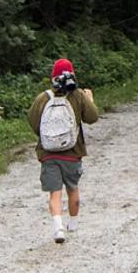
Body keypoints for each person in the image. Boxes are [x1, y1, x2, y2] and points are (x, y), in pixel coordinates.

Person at [28, 57, 99, 244]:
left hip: (49, 153)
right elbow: (92, 118)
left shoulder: (42, 98)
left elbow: (34, 124)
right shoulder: (78, 96)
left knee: (55, 192)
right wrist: (90, 99)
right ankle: (73, 224)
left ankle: (58, 227)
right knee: (73, 189)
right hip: (72, 153)